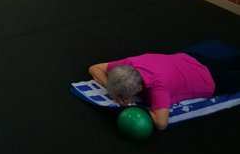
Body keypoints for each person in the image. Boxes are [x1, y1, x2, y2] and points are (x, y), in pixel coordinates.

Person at [88, 51, 240, 130]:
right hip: (192, 59)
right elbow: (94, 68)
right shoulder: (129, 64)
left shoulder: (158, 87)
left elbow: (161, 123)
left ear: (139, 88)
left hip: (210, 79)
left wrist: (130, 106)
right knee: (226, 63)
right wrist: (111, 89)